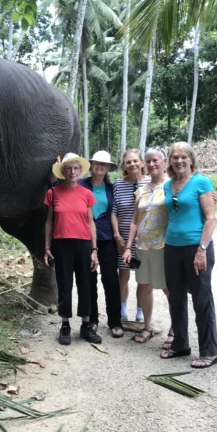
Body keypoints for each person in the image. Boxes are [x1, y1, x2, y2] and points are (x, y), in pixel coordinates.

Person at [160, 142, 217, 369]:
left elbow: (211, 218)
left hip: (196, 247)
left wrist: (202, 250)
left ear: (191, 159)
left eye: (183, 156)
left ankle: (210, 351)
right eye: (174, 157)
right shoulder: (168, 185)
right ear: (170, 161)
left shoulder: (201, 182)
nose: (179, 161)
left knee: (201, 299)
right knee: (175, 298)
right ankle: (181, 344)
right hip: (172, 247)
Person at [44, 153, 102, 345]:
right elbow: (49, 221)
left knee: (85, 283)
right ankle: (65, 324)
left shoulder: (86, 194)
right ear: (62, 171)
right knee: (64, 284)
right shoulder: (53, 193)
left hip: (83, 243)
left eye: (76, 168)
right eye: (68, 168)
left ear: (80, 171)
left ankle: (86, 325)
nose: (72, 171)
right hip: (61, 244)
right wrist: (47, 247)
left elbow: (91, 223)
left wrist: (94, 250)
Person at [122, 147, 172, 345]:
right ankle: (147, 327)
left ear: (164, 162)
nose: (151, 164)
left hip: (164, 246)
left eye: (155, 161)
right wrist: (128, 247)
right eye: (148, 161)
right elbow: (135, 221)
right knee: (144, 286)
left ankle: (175, 329)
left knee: (168, 288)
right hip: (142, 246)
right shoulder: (141, 190)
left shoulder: (172, 186)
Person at [78, 151, 124, 338]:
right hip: (84, 237)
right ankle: (93, 320)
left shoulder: (111, 188)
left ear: (108, 169)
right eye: (96, 163)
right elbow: (58, 188)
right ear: (91, 165)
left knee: (111, 279)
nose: (99, 167)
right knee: (89, 281)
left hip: (106, 239)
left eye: (103, 165)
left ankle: (115, 321)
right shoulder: (81, 184)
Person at [111, 150, 148, 322]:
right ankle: (122, 310)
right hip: (123, 238)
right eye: (128, 162)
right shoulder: (118, 184)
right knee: (123, 275)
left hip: (145, 239)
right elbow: (114, 212)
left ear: (142, 163)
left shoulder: (151, 183)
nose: (132, 164)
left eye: (135, 161)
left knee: (143, 277)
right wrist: (117, 235)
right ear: (124, 166)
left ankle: (141, 311)